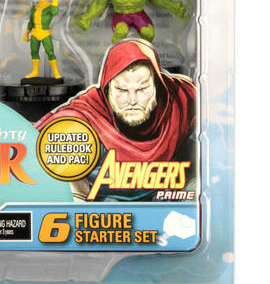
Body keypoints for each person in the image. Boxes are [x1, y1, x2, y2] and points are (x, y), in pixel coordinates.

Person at [35, 40, 196, 201]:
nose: (132, 100)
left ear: (157, 86)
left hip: (168, 198)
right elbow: (41, 147)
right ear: (107, 88)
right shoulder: (86, 114)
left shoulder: (181, 100)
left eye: (142, 89)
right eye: (121, 90)